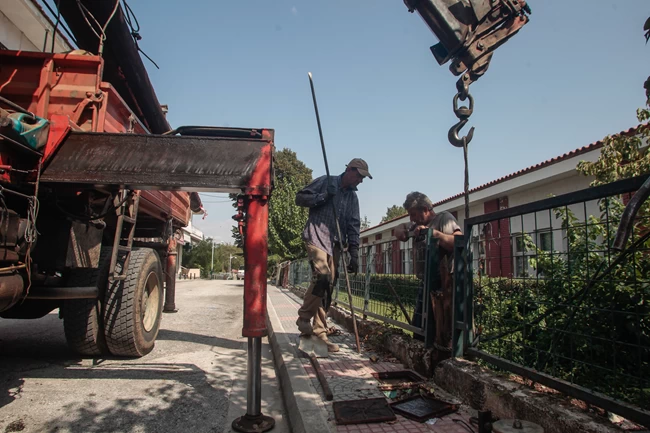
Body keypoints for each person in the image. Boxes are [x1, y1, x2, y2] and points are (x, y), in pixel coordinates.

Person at [295, 158, 372, 352]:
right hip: (316, 237)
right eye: (360, 176)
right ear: (350, 170)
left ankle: (319, 333)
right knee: (322, 275)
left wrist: (354, 253)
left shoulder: (353, 198)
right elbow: (300, 198)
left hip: (336, 244)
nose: (361, 181)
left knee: (327, 288)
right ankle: (304, 318)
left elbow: (354, 225)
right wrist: (322, 197)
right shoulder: (326, 182)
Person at [394, 192, 462, 353]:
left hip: (443, 285)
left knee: (440, 329)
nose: (412, 219)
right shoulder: (417, 224)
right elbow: (399, 230)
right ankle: (420, 358)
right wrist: (401, 228)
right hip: (425, 282)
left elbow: (459, 241)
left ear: (425, 209)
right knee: (419, 327)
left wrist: (435, 235)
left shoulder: (444, 218)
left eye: (414, 214)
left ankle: (440, 359)